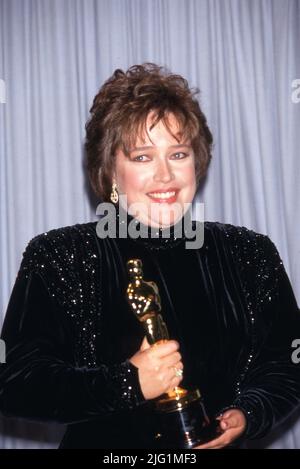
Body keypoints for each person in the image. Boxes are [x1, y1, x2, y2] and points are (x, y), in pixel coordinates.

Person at [1, 63, 300, 449]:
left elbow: (288, 361)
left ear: (198, 161)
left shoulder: (250, 253)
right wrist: (127, 382)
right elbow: (15, 382)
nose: (165, 176)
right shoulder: (60, 256)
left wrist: (250, 413)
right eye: (142, 157)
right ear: (109, 171)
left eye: (178, 154)